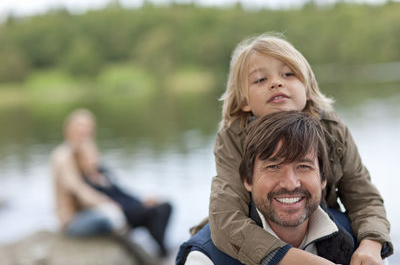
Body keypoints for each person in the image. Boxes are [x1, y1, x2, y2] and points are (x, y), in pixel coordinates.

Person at [204, 33, 393, 265]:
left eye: (288, 74)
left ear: (307, 87)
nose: (276, 82)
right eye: (260, 80)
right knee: (203, 246)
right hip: (255, 225)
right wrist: (291, 259)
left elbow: (363, 197)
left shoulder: (332, 129)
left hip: (317, 218)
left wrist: (371, 243)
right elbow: (225, 214)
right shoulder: (233, 137)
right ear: (244, 101)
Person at [176, 111, 356, 265]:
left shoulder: (359, 243)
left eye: (303, 166)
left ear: (323, 178)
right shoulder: (207, 258)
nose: (290, 183)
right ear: (247, 180)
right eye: (273, 167)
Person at [51, 108, 172, 257]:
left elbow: (111, 186)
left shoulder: (86, 151)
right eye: (79, 126)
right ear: (69, 128)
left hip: (92, 211)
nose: (84, 131)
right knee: (112, 215)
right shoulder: (63, 156)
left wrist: (140, 200)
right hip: (74, 220)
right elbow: (79, 190)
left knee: (155, 208)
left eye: (87, 127)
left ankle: (155, 250)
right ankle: (137, 250)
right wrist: (106, 203)